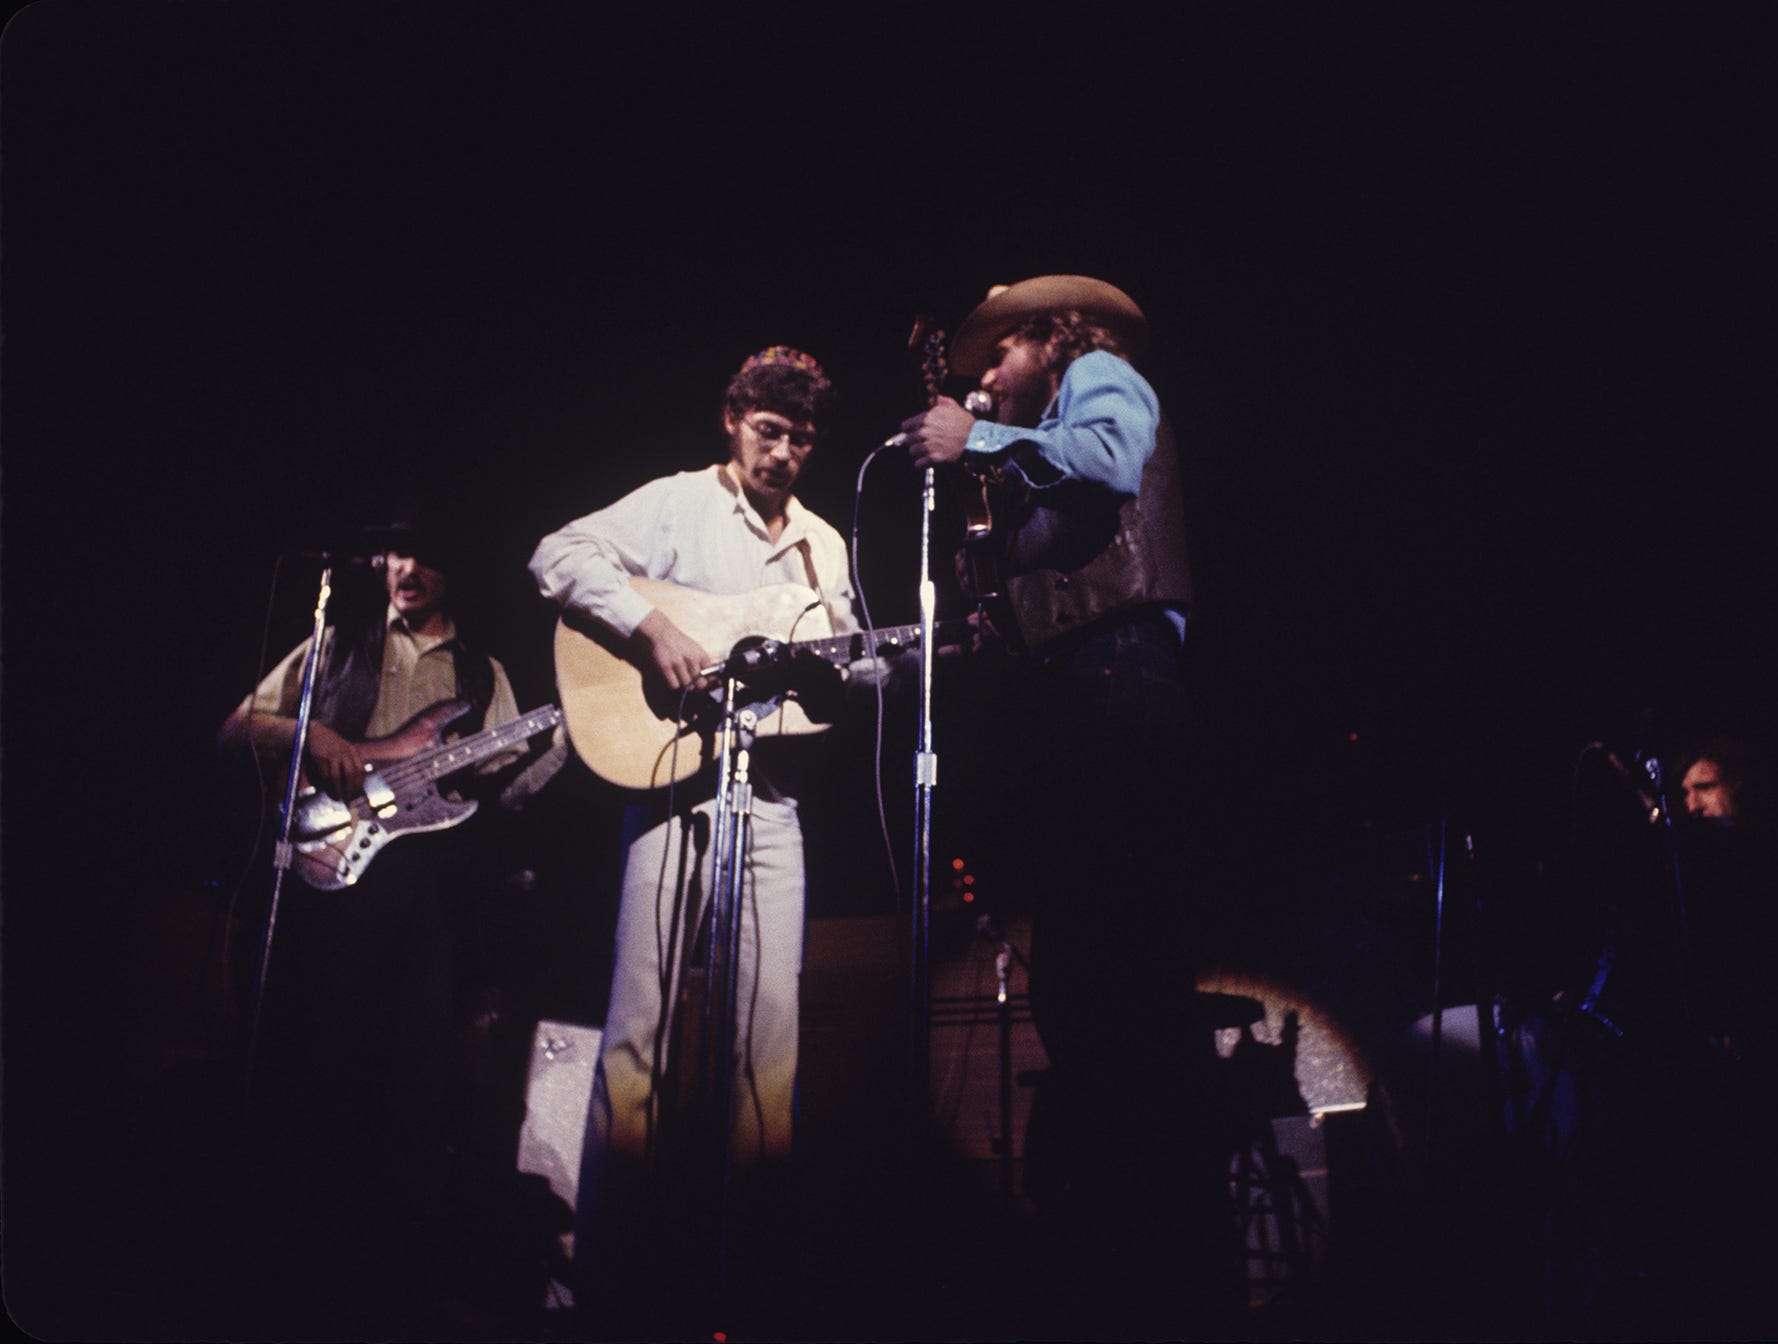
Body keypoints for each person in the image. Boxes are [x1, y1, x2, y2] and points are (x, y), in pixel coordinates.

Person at [896, 277, 1231, 1328]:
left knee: (1119, 980)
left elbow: (1109, 461)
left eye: (995, 360)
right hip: (1081, 696)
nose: (984, 381)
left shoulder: (1101, 377)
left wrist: (980, 440)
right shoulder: (1038, 438)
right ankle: (1127, 1252)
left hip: (1119, 685)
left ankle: (1170, 1264)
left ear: (1045, 341)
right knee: (1087, 987)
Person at [526, 345, 853, 1325]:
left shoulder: (823, 546)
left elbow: (836, 662)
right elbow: (556, 555)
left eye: (799, 439)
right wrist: (650, 628)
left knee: (771, 1049)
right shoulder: (675, 502)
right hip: (670, 785)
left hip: (775, 799)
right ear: (732, 421)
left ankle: (752, 1283)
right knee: (639, 1036)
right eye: (768, 432)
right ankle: (605, 1285)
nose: (783, 453)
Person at [217, 519, 552, 1330]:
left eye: (423, 557)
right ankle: (294, 1277)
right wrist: (319, 734)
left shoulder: (484, 673)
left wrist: (558, 753)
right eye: (396, 554)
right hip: (328, 883)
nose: (405, 569)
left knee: (414, 1088)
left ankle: (394, 1289)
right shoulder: (337, 644)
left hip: (428, 898)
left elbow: (505, 787)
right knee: (317, 1078)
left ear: (449, 570)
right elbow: (237, 728)